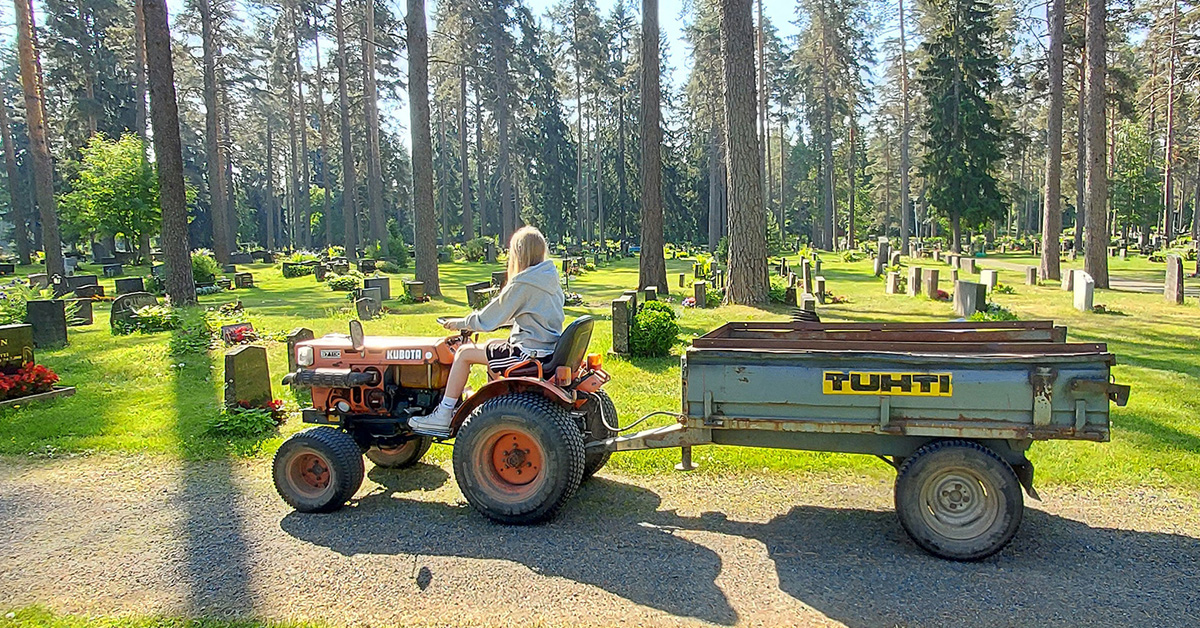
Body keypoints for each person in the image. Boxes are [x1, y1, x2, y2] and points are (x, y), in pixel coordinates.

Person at [408, 226, 565, 437]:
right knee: (492, 346)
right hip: (545, 347)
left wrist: (461, 323)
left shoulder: (524, 282)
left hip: (529, 353)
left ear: (519, 252)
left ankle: (443, 415)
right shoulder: (548, 278)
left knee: (464, 354)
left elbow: (488, 319)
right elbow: (516, 313)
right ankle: (490, 406)